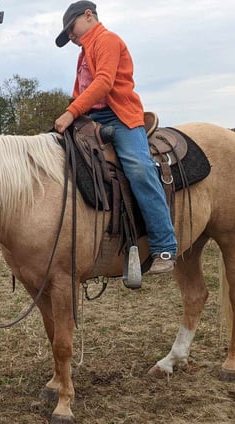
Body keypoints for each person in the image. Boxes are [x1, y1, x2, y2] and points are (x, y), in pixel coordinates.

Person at [53, 1, 177, 274]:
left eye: (71, 29)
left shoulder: (107, 40)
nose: (70, 36)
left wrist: (71, 113)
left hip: (120, 116)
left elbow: (104, 82)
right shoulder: (84, 52)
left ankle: (164, 246)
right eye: (67, 34)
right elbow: (80, 90)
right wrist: (75, 113)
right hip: (93, 119)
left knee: (139, 169)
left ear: (88, 15)